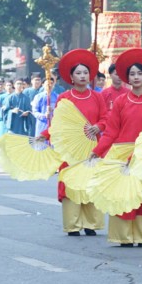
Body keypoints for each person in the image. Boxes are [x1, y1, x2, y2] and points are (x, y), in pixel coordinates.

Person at [90, 49, 142, 248]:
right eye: (132, 74)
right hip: (122, 153)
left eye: (139, 74)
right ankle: (124, 236)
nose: (135, 77)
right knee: (123, 194)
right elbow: (111, 131)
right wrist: (98, 150)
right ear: (127, 78)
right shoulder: (120, 101)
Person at [39, 49, 108, 237]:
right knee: (71, 183)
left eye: (86, 73)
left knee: (90, 181)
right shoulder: (64, 98)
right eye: (78, 73)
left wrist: (99, 126)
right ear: (71, 76)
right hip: (70, 149)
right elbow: (57, 125)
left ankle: (91, 224)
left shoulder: (97, 97)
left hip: (92, 147)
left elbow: (106, 118)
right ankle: (73, 224)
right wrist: (45, 134)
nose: (83, 76)